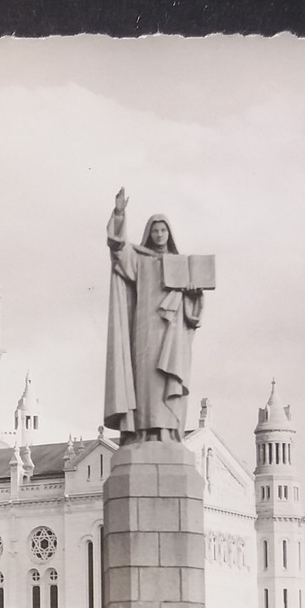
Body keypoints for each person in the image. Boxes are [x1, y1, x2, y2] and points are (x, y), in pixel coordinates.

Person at [104, 190, 205, 443]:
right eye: (155, 231)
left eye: (163, 230)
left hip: (173, 332)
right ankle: (147, 432)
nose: (159, 235)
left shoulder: (181, 264)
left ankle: (168, 431)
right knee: (148, 381)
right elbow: (117, 249)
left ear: (169, 234)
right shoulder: (141, 260)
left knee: (168, 379)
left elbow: (194, 312)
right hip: (146, 330)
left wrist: (194, 294)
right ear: (149, 233)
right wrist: (119, 213)